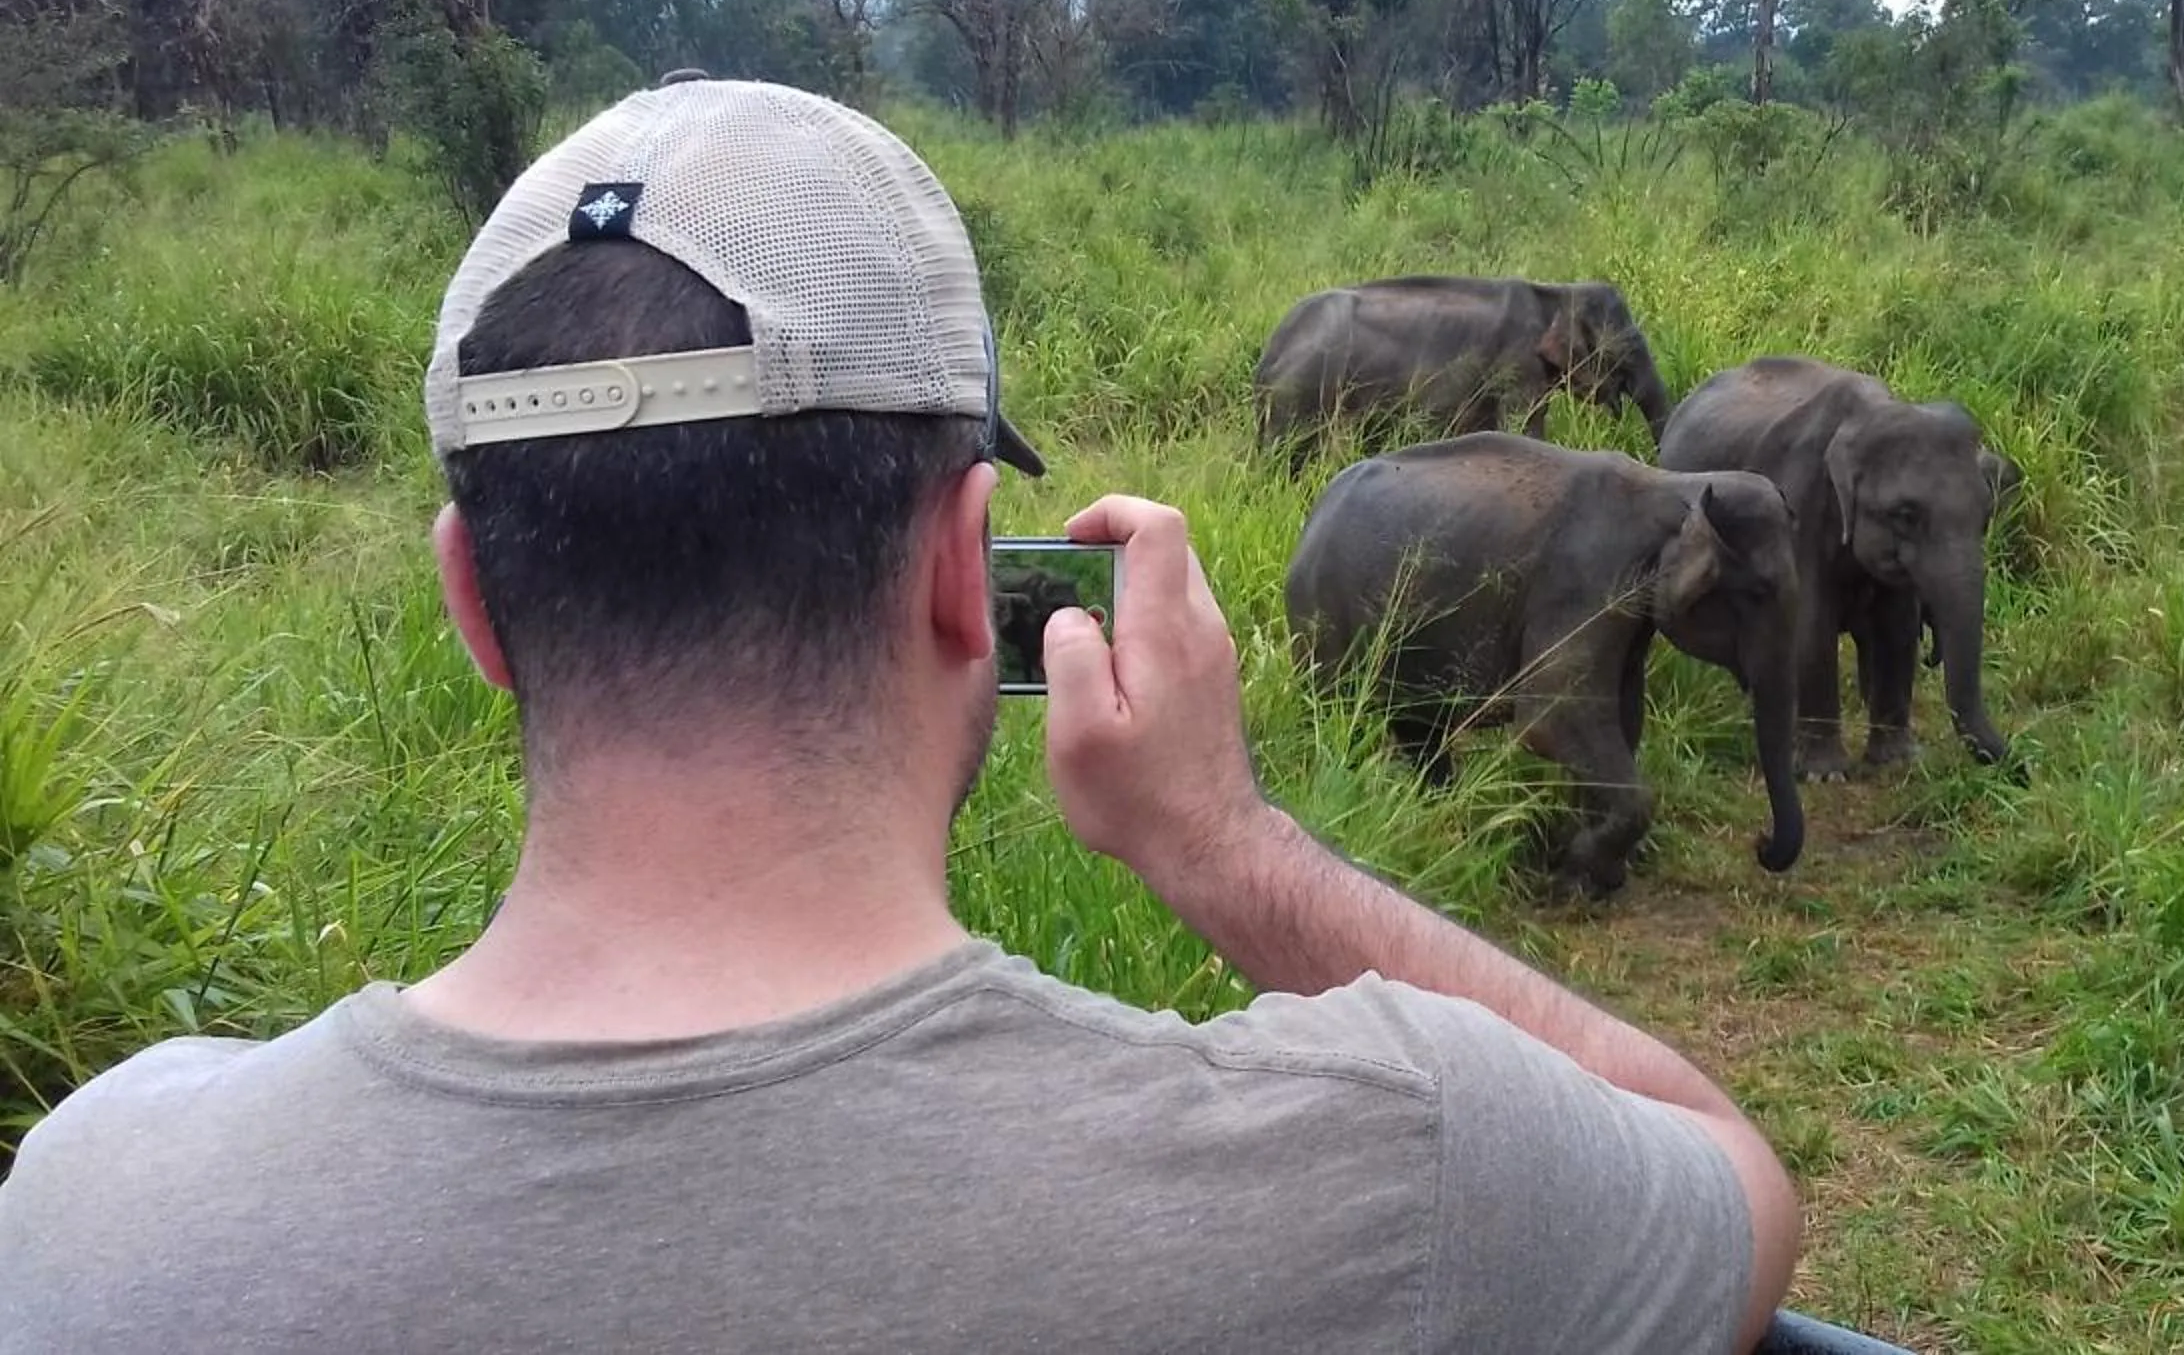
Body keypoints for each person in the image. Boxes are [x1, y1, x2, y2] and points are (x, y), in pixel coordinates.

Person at [0, 78, 1799, 1353]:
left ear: (474, 603)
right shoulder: (1396, 1161)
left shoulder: (91, 1205)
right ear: (965, 566)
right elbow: (1736, 1182)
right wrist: (1227, 844)